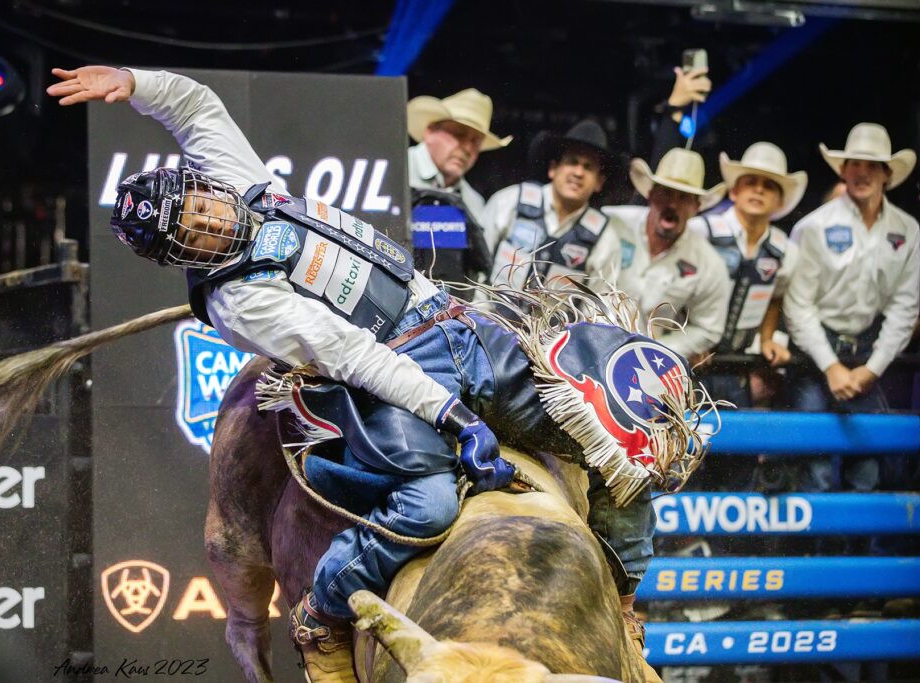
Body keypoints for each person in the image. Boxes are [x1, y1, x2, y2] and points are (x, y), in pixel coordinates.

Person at [48, 66, 704, 676]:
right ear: (181, 252)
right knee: (427, 503)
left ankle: (618, 599)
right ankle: (325, 612)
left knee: (616, 428)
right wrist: (451, 414)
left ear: (201, 186)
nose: (209, 219)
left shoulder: (244, 182)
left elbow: (197, 107)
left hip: (453, 324)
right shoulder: (236, 299)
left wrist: (134, 82)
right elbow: (355, 354)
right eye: (190, 228)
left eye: (199, 204)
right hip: (382, 376)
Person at [783, 122, 920, 493]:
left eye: (872, 164)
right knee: (815, 467)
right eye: (854, 163)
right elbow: (798, 305)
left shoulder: (906, 229)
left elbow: (905, 308)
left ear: (887, 174)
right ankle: (813, 550)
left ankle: (859, 548)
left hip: (866, 356)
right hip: (814, 358)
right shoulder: (813, 227)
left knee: (868, 471)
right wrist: (831, 365)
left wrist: (871, 370)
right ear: (843, 170)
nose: (862, 172)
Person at [690, 142, 808, 406]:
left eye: (768, 186)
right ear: (734, 191)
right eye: (751, 182)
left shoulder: (785, 250)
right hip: (688, 360)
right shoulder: (700, 231)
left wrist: (766, 339)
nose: (758, 189)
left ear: (779, 201)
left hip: (735, 365)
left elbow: (776, 297)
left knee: (737, 442)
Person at [604, 148, 730, 363]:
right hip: (590, 344)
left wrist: (661, 351)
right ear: (651, 194)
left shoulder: (708, 263)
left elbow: (709, 327)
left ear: (696, 207)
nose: (673, 204)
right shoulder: (611, 224)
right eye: (666, 193)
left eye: (684, 198)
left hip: (648, 363)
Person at [482, 119, 622, 290]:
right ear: (553, 169)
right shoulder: (508, 202)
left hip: (562, 317)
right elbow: (477, 267)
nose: (578, 172)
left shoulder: (606, 239)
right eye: (572, 161)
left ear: (599, 182)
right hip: (486, 314)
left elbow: (596, 308)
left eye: (588, 167)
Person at [407, 89, 509, 283]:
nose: (467, 148)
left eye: (476, 142)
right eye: (459, 134)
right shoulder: (393, 170)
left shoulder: (473, 202)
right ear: (429, 131)